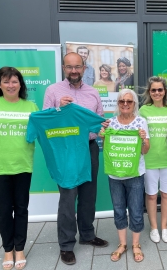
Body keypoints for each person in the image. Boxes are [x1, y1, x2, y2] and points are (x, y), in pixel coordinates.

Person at [43, 52, 109, 265]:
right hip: (66, 151)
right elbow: (45, 121)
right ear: (64, 68)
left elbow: (99, 120)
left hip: (89, 148)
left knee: (89, 195)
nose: (73, 71)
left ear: (84, 67)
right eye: (69, 67)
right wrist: (58, 109)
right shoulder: (53, 91)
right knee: (68, 198)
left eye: (77, 67)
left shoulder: (93, 93)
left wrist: (106, 127)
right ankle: (66, 244)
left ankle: (88, 235)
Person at [0, 67, 39, 270]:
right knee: (3, 211)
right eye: (6, 81)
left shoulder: (31, 106)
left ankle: (19, 248)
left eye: (15, 81)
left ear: (21, 84)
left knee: (21, 209)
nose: (11, 85)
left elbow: (44, 131)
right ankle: (7, 250)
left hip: (23, 166)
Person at [100, 89, 149, 263]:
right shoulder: (110, 123)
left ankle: (136, 245)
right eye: (122, 101)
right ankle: (122, 244)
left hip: (135, 174)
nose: (125, 104)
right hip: (115, 175)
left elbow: (145, 150)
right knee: (119, 210)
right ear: (118, 104)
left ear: (134, 104)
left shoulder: (141, 122)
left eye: (129, 101)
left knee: (136, 211)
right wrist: (103, 136)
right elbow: (107, 148)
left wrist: (143, 139)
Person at [139, 76, 167, 244]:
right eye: (153, 90)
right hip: (149, 159)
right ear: (149, 92)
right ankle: (154, 227)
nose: (157, 92)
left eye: (160, 89)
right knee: (152, 195)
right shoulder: (143, 110)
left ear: (165, 91)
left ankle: (164, 227)